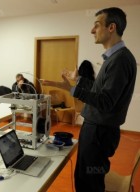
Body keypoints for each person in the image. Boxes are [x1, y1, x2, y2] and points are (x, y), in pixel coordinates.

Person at [42, 7, 137, 192]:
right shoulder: (114, 58)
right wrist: (76, 81)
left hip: (99, 133)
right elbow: (99, 90)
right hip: (97, 130)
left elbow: (105, 101)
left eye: (96, 25)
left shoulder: (120, 59)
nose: (92, 30)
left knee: (89, 183)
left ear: (111, 27)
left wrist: (73, 89)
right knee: (86, 178)